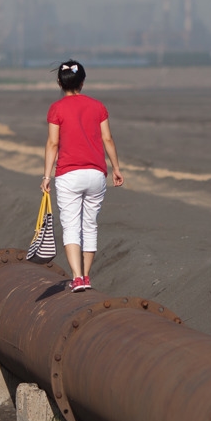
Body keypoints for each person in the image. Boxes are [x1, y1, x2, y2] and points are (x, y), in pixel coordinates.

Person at [41, 59, 124, 292]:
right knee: (90, 225)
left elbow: (53, 143)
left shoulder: (56, 109)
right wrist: (116, 168)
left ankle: (76, 278)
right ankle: (87, 277)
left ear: (59, 82)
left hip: (69, 174)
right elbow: (107, 139)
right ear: (83, 81)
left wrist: (46, 176)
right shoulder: (98, 106)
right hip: (96, 174)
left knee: (70, 226)